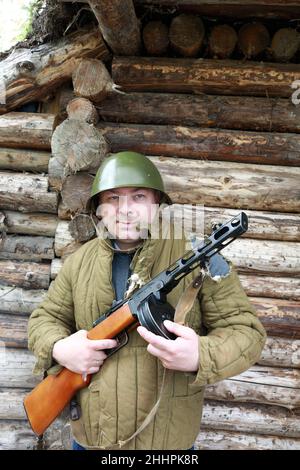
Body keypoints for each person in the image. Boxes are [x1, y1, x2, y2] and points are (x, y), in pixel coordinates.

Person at [28, 151, 266, 450]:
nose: (125, 210)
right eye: (113, 198)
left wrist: (200, 355)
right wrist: (60, 348)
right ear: (99, 208)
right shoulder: (80, 261)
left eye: (138, 197)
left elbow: (247, 332)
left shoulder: (198, 256)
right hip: (91, 440)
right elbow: (45, 318)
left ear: (156, 204)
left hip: (166, 443)